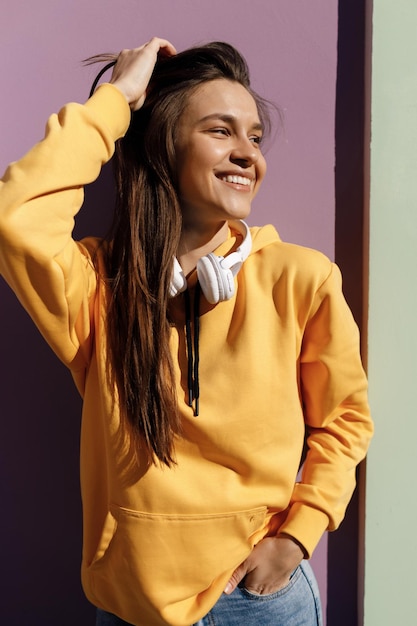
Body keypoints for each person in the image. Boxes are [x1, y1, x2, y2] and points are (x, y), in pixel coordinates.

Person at [0, 37, 373, 626]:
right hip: (131, 604)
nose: (249, 153)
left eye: (254, 136)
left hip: (263, 599)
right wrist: (118, 100)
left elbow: (346, 420)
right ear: (165, 146)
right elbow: (16, 216)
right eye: (221, 131)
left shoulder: (302, 279)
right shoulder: (100, 286)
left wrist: (298, 535)